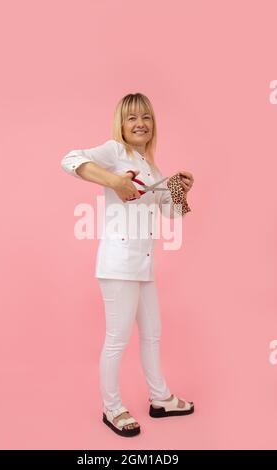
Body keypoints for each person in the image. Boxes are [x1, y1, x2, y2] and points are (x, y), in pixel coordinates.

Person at [61, 93, 194, 437]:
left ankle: (160, 398)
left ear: (153, 125)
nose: (140, 124)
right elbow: (69, 159)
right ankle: (112, 407)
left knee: (152, 335)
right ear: (121, 124)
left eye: (146, 117)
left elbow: (173, 213)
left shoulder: (153, 168)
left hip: (144, 267)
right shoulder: (114, 152)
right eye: (132, 117)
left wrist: (180, 191)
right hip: (118, 264)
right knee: (117, 340)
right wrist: (114, 181)